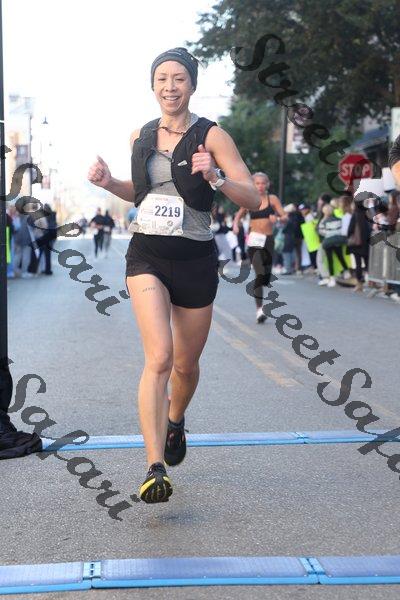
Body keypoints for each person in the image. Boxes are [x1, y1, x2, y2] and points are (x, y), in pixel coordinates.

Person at [87, 47, 260, 504]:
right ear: (152, 86)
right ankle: (154, 468)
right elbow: (141, 193)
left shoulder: (212, 135)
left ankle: (176, 419)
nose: (170, 86)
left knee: (185, 365)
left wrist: (216, 177)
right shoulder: (140, 136)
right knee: (159, 358)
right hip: (147, 254)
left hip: (195, 259)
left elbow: (253, 199)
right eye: (162, 78)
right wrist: (109, 183)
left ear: (192, 85)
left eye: (179, 78)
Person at [233, 172, 285, 323]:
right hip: (254, 240)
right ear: (253, 184)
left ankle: (265, 280)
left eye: (263, 183)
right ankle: (259, 310)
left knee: (266, 273)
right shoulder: (249, 199)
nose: (260, 186)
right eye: (257, 183)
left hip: (268, 239)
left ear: (267, 184)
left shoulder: (272, 199)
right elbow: (239, 215)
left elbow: (284, 217)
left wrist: (278, 218)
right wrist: (235, 225)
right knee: (259, 274)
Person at [317, 204, 350, 287]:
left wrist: (328, 233)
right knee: (340, 257)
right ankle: (347, 272)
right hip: (338, 241)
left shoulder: (324, 221)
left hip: (328, 242)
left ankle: (332, 278)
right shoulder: (339, 219)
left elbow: (320, 231)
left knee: (330, 260)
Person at [347, 201, 371, 292]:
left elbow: (350, 229)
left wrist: (349, 237)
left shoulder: (355, 215)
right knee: (368, 263)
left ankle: (359, 284)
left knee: (358, 264)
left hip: (356, 244)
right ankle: (371, 281)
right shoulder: (368, 214)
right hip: (366, 243)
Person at [281, 203, 297, 274]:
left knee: (286, 252)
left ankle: (288, 268)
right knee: (291, 252)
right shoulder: (295, 217)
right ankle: (291, 268)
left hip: (288, 237)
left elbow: (285, 228)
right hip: (293, 236)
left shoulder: (289, 218)